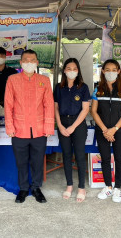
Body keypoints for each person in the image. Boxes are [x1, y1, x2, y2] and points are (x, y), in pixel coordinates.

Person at [4, 49, 54, 203]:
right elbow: (8, 105)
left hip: (39, 130)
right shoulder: (12, 79)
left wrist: (48, 127)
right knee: (21, 162)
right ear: (20, 62)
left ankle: (36, 188)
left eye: (32, 60)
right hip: (19, 130)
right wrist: (9, 127)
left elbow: (49, 105)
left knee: (38, 162)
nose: (29, 63)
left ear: (37, 62)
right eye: (26, 60)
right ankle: (24, 188)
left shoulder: (44, 80)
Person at [91, 59, 121, 203]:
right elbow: (94, 111)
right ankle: (108, 187)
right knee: (105, 159)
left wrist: (113, 129)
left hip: (119, 131)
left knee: (119, 159)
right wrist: (104, 130)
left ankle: (117, 189)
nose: (110, 72)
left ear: (119, 71)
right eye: (107, 70)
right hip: (102, 130)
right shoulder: (98, 89)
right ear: (103, 71)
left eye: (114, 69)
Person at [54, 58, 91, 202]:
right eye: (68, 68)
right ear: (64, 70)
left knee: (80, 156)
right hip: (63, 123)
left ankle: (81, 187)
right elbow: (55, 107)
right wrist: (60, 125)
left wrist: (73, 126)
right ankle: (69, 185)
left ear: (78, 71)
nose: (71, 71)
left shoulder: (83, 87)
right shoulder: (59, 87)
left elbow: (85, 109)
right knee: (67, 155)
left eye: (74, 68)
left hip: (78, 124)